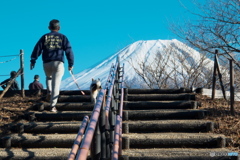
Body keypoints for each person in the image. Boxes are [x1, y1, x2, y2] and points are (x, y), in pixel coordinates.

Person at [30, 19, 74, 112]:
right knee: (56, 85)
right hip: (58, 62)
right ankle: (52, 106)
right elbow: (68, 50)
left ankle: (49, 91)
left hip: (46, 63)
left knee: (49, 77)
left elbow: (37, 48)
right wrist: (71, 63)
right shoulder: (63, 37)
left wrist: (33, 60)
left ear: (49, 27)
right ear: (59, 28)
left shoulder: (44, 37)